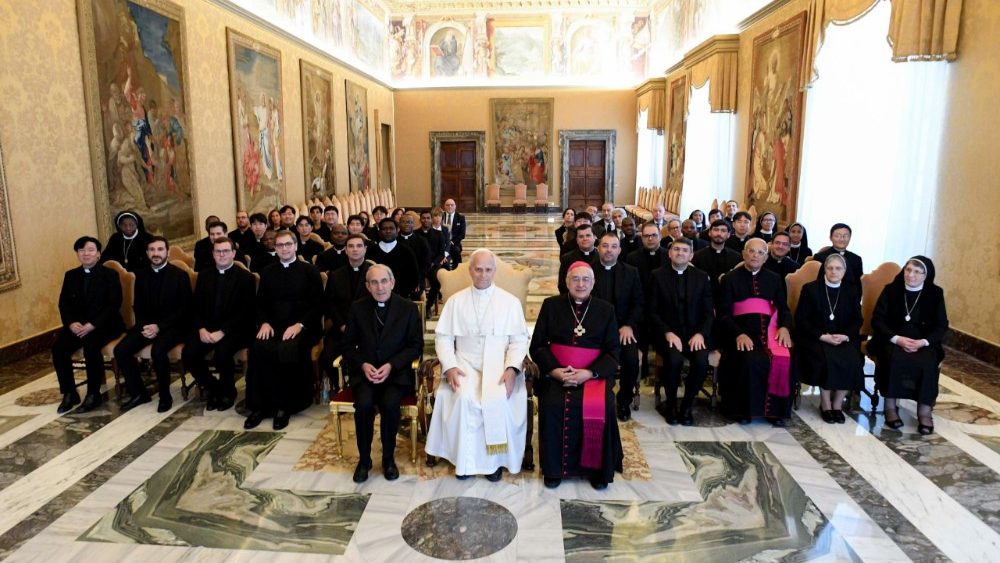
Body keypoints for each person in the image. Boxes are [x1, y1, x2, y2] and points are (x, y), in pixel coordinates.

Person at [426, 250, 530, 481]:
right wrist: (450, 366)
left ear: (495, 271)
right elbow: (443, 338)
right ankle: (465, 462)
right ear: (470, 270)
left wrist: (512, 368)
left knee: (496, 399)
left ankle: (494, 463)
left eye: (488, 269)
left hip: (499, 365)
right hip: (464, 363)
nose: (483, 274)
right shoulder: (455, 301)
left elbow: (519, 340)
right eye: (478, 269)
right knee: (464, 399)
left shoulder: (510, 302)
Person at [530, 261, 623, 490]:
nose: (580, 284)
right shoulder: (551, 305)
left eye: (585, 280)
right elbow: (538, 346)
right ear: (566, 282)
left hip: (592, 375)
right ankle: (553, 469)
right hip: (557, 372)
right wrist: (554, 370)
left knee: (603, 407)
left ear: (593, 283)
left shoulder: (606, 309)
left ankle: (596, 470)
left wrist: (589, 373)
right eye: (575, 279)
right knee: (551, 404)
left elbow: (613, 352)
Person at [343, 264, 424, 482]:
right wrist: (363, 365)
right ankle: (364, 459)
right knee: (364, 405)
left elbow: (415, 346)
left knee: (390, 405)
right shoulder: (357, 308)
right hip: (366, 373)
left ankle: (388, 459)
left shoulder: (407, 308)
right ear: (367, 286)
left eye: (384, 281)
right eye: (374, 282)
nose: (380, 287)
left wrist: (391, 366)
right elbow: (348, 346)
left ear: (392, 282)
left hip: (395, 374)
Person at [244, 230, 323, 430]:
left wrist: (299, 325)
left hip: (303, 326)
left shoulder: (310, 271)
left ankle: (285, 406)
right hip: (273, 325)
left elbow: (318, 305)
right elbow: (260, 303)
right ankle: (260, 406)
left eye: (288, 244)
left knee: (287, 349)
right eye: (280, 245)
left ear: (295, 246)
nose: (284, 249)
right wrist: (264, 322)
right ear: (275, 248)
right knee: (259, 348)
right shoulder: (268, 271)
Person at [717, 238, 794, 426]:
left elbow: (784, 309)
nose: (755, 255)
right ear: (744, 254)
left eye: (760, 252)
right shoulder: (730, 278)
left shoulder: (774, 279)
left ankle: (775, 412)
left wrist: (784, 327)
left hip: (770, 335)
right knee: (750, 360)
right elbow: (723, 314)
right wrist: (738, 334)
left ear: (766, 257)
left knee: (786, 357)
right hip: (739, 335)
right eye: (751, 251)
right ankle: (743, 410)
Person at [871, 256, 949, 435]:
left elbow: (941, 325)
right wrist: (897, 339)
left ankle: (924, 411)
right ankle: (890, 407)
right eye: (908, 270)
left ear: (925, 275)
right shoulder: (891, 290)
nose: (911, 275)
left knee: (928, 363)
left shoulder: (935, 293)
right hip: (892, 339)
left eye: (916, 272)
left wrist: (923, 342)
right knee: (893, 359)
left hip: (923, 341)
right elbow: (878, 320)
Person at [115, 236, 192, 413]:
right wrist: (146, 326)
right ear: (147, 253)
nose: (155, 253)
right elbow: (138, 306)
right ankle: (139, 393)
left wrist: (159, 327)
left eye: (159, 250)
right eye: (152, 250)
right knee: (121, 350)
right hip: (147, 325)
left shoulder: (180, 275)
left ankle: (165, 396)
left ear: (167, 252)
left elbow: (184, 309)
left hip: (174, 326)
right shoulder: (140, 275)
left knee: (158, 350)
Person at [181, 236, 255, 411]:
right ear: (213, 254)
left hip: (236, 329)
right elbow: (196, 306)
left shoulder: (246, 278)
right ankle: (214, 387)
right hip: (207, 328)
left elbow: (245, 312)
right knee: (189, 353)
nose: (222, 255)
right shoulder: (204, 275)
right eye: (218, 251)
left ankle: (228, 392)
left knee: (222, 353)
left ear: (233, 253)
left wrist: (223, 331)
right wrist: (201, 328)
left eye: (225, 251)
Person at [52, 237, 125, 413]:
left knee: (91, 347)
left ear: (98, 254)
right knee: (59, 348)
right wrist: (71, 323)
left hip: (105, 324)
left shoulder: (110, 275)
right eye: (82, 250)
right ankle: (69, 392)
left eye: (91, 250)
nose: (86, 254)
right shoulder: (71, 276)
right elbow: (64, 304)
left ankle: (93, 394)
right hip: (78, 326)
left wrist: (93, 325)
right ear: (77, 254)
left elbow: (114, 304)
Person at [648, 237, 714, 425]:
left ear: (691, 255)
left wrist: (700, 333)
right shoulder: (657, 275)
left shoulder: (701, 277)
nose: (680, 253)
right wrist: (667, 332)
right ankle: (670, 405)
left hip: (695, 334)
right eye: (676, 249)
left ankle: (686, 405)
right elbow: (652, 311)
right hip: (668, 334)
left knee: (701, 361)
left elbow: (709, 312)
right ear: (669, 253)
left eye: (685, 250)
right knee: (674, 360)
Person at [795, 254, 864, 424]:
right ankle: (825, 403)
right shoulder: (810, 289)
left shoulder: (851, 291)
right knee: (823, 359)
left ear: (844, 271)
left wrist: (845, 336)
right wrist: (822, 336)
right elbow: (801, 319)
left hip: (843, 338)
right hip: (816, 337)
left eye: (838, 268)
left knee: (852, 360)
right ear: (824, 269)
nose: (834, 271)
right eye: (830, 268)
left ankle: (837, 403)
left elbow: (857, 320)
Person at [591, 233, 644, 421]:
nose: (609, 250)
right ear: (598, 248)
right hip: (594, 331)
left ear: (619, 250)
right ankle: (595, 399)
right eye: (605, 246)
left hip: (623, 331)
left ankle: (623, 400)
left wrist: (628, 325)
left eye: (613, 246)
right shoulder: (589, 271)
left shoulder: (631, 272)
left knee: (630, 360)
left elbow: (638, 304)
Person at [320, 234, 370, 394]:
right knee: (327, 357)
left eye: (359, 246)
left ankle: (363, 385)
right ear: (346, 250)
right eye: (351, 246)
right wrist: (341, 324)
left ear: (365, 249)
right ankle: (340, 388)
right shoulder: (335, 275)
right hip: (341, 327)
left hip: (369, 329)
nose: (355, 250)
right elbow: (330, 304)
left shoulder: (374, 273)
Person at [692, 219, 742, 304]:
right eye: (716, 230)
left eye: (723, 231)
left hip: (728, 300)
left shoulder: (737, 257)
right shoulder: (697, 256)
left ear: (728, 235)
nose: (719, 234)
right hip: (702, 300)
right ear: (709, 232)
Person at [368, 218, 419, 298]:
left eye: (391, 228)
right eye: (384, 229)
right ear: (379, 232)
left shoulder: (406, 251)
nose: (388, 231)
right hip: (375, 295)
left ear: (397, 231)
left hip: (401, 296)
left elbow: (414, 276)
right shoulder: (371, 252)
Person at [812, 223, 863, 295]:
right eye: (837, 236)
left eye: (845, 236)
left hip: (849, 298)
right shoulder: (820, 257)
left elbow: (858, 286)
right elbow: (816, 284)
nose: (842, 239)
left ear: (850, 238)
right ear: (830, 237)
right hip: (825, 296)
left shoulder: (856, 259)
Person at [557, 224, 598, 294]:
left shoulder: (602, 257)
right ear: (577, 240)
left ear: (594, 237)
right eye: (581, 236)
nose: (585, 239)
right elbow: (562, 285)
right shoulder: (567, 258)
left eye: (588, 235)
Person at [442, 198, 466, 268]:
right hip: (441, 242)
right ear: (444, 206)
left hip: (454, 242)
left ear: (455, 206)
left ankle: (458, 269)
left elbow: (462, 234)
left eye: (452, 205)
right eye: (448, 205)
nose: (450, 207)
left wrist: (451, 242)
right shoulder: (441, 216)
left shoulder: (460, 217)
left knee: (456, 250)